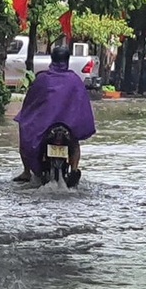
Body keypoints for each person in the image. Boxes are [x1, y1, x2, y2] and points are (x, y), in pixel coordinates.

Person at [13, 46, 96, 186]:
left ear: (52, 59)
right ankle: (74, 169)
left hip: (44, 126)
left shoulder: (42, 79)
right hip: (68, 125)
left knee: (24, 129)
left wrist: (24, 116)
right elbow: (82, 105)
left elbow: (30, 103)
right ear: (67, 60)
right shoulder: (75, 79)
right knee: (74, 142)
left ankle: (27, 171)